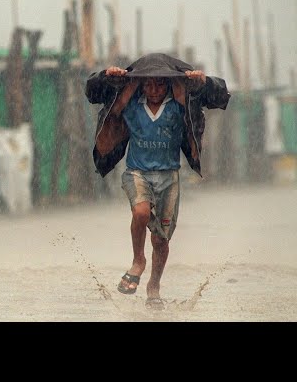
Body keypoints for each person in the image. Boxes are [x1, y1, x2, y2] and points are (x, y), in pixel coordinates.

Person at [85, 53, 230, 310]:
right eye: (148, 84)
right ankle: (138, 261)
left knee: (161, 240)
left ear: (168, 85)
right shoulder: (131, 104)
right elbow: (94, 92)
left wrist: (202, 81)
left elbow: (220, 97)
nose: (153, 90)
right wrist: (109, 76)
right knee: (140, 211)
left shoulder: (179, 105)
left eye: (160, 84)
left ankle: (154, 286)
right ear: (140, 85)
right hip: (137, 173)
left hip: (169, 177)